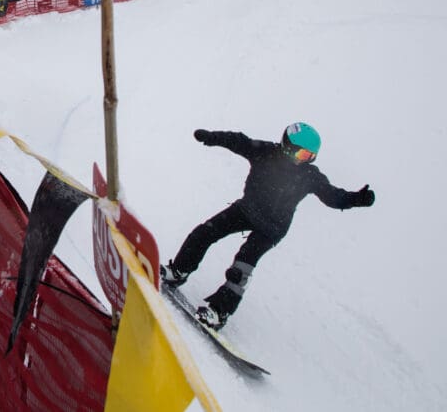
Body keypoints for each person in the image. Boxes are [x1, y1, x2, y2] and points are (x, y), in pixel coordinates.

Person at [160, 123, 375, 329]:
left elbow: (333, 197)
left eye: (310, 157)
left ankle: (219, 312)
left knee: (242, 266)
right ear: (287, 145)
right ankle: (178, 271)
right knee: (204, 233)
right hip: (246, 210)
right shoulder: (265, 152)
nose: (304, 160)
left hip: (272, 228)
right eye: (301, 154)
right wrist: (211, 137)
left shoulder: (310, 175)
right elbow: (238, 141)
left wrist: (357, 199)